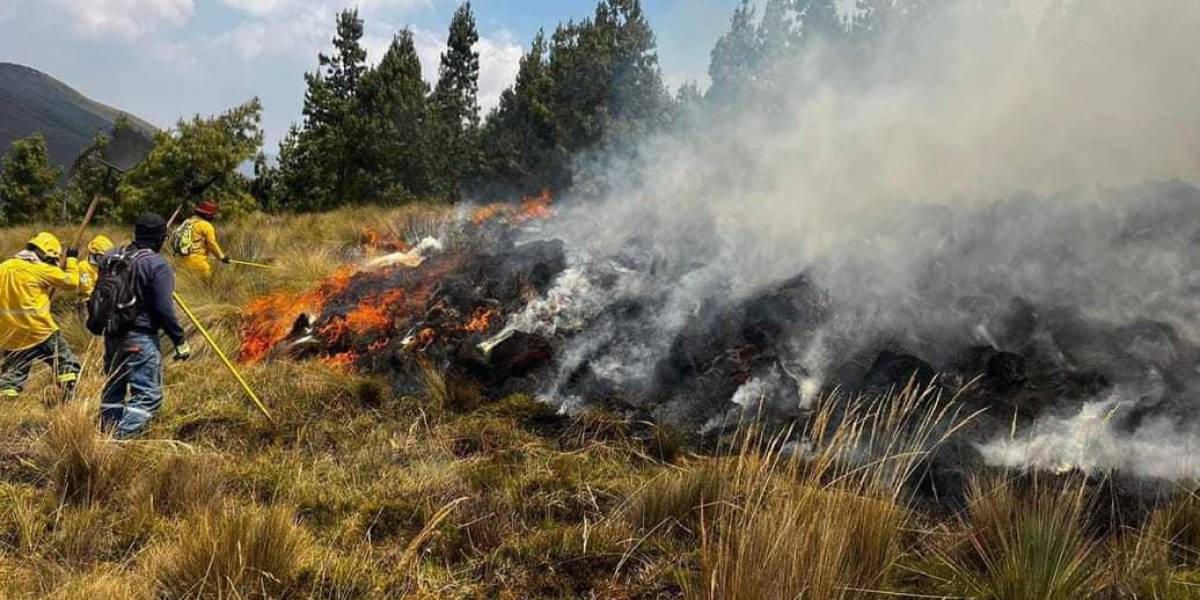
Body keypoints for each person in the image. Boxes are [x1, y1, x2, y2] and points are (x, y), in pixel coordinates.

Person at [100, 214, 191, 439]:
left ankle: (104, 434)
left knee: (114, 388)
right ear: (161, 238)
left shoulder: (111, 255)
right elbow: (163, 309)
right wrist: (179, 340)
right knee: (148, 396)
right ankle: (117, 442)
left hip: (111, 334)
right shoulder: (156, 264)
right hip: (139, 337)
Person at [0, 232, 83, 400]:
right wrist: (72, 260)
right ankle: (68, 398)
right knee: (66, 364)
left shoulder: (4, 266)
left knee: (11, 378)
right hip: (40, 331)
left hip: (10, 334)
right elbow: (72, 282)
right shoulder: (42, 269)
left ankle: (7, 407)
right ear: (47, 255)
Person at [173, 200, 229, 277]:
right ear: (209, 215)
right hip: (199, 263)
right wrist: (222, 257)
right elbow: (212, 244)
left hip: (181, 261)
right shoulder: (206, 225)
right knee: (207, 284)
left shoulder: (187, 222)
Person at [78, 234, 114, 300]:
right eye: (101, 257)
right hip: (88, 301)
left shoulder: (106, 268)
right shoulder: (83, 266)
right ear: (94, 254)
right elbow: (86, 289)